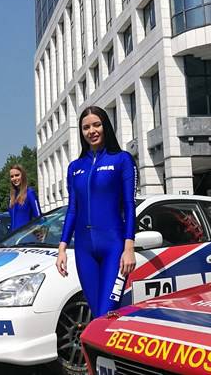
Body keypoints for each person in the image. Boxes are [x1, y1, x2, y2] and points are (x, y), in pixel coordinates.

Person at [55, 106, 137, 318]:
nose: (91, 131)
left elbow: (129, 205)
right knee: (96, 315)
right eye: (86, 127)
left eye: (96, 125)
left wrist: (129, 248)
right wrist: (62, 248)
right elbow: (72, 209)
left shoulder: (122, 159)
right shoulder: (75, 167)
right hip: (84, 249)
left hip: (114, 248)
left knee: (106, 314)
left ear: (105, 127)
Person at [7, 164, 42, 232]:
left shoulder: (30, 193)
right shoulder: (12, 196)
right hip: (13, 238)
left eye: (17, 175)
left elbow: (39, 218)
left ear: (23, 176)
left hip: (25, 238)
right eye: (12, 176)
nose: (14, 178)